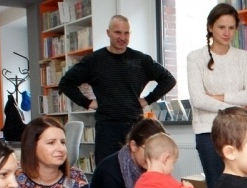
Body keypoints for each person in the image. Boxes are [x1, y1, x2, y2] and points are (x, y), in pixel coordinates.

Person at [58, 15, 176, 165]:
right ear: (108, 33)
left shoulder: (141, 60)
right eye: (117, 32)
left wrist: (148, 99)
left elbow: (169, 80)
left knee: (137, 173)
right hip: (107, 129)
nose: (122, 37)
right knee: (107, 174)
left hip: (135, 127)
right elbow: (66, 82)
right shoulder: (94, 61)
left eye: (126, 33)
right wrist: (87, 103)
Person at [187, 3, 247, 188]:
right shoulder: (195, 58)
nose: (226, 33)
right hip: (208, 132)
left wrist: (217, 97)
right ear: (210, 27)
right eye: (221, 27)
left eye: (231, 28)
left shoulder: (243, 57)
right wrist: (236, 106)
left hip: (240, 131)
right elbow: (198, 100)